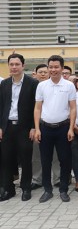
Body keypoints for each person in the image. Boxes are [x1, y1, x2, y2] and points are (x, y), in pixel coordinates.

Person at [34, 55, 76, 203]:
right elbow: (37, 109)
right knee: (46, 160)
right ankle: (47, 190)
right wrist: (37, 128)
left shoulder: (69, 86)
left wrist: (71, 128)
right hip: (45, 128)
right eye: (50, 67)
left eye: (56, 67)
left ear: (62, 68)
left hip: (63, 128)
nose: (53, 70)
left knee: (65, 160)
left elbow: (72, 108)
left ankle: (63, 189)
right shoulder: (42, 86)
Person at [0, 54, 38, 201]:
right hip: (7, 127)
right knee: (6, 159)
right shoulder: (4, 84)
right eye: (11, 64)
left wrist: (34, 127)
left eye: (17, 64)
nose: (14, 67)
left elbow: (36, 107)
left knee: (26, 158)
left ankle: (26, 188)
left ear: (23, 65)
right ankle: (8, 189)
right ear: (8, 65)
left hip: (25, 127)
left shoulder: (32, 83)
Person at [31, 64, 61, 190]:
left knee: (55, 154)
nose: (43, 74)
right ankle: (37, 179)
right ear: (35, 74)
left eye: (45, 72)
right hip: (36, 126)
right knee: (37, 155)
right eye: (40, 72)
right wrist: (33, 127)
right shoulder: (31, 87)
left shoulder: (53, 87)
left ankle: (57, 178)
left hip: (53, 125)